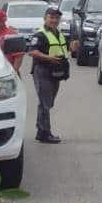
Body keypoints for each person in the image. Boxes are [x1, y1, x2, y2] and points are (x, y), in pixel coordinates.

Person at [27, 7, 79, 143]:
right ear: (45, 18)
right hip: (42, 71)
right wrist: (48, 58)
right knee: (45, 103)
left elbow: (65, 48)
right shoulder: (40, 34)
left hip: (56, 73)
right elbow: (32, 52)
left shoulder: (59, 33)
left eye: (57, 18)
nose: (54, 20)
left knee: (47, 103)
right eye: (51, 17)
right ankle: (46, 133)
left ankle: (40, 131)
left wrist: (73, 46)